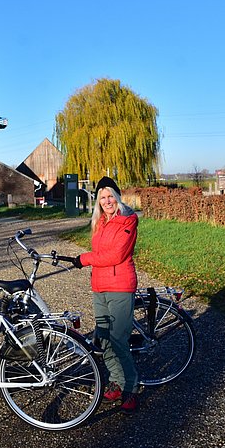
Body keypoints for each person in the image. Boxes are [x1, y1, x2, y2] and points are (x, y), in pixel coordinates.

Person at [73, 176, 139, 415]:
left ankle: (130, 389)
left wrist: (84, 259)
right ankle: (117, 382)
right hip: (99, 287)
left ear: (117, 197)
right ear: (98, 202)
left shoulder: (128, 220)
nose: (107, 201)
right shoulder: (100, 222)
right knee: (105, 339)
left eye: (110, 196)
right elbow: (100, 252)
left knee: (119, 341)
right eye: (102, 198)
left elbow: (116, 255)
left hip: (120, 286)